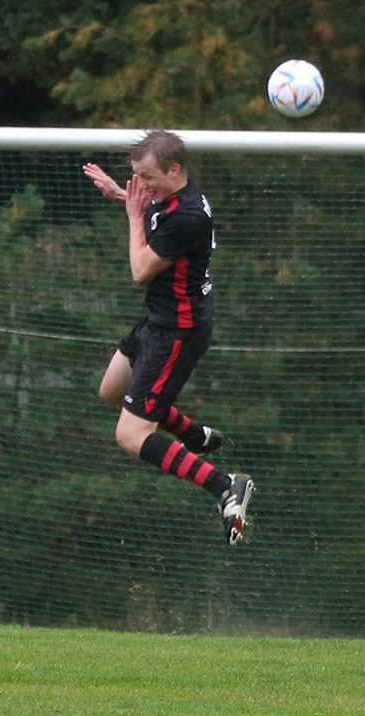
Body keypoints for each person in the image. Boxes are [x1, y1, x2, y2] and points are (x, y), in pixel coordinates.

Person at [82, 130, 254, 542]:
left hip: (177, 333)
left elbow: (141, 271)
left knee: (130, 435)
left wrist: (132, 216)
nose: (140, 185)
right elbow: (156, 218)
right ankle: (192, 433)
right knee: (112, 390)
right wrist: (123, 196)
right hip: (157, 322)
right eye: (136, 176)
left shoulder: (188, 216)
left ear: (175, 169)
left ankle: (225, 485)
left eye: (147, 177)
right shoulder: (172, 199)